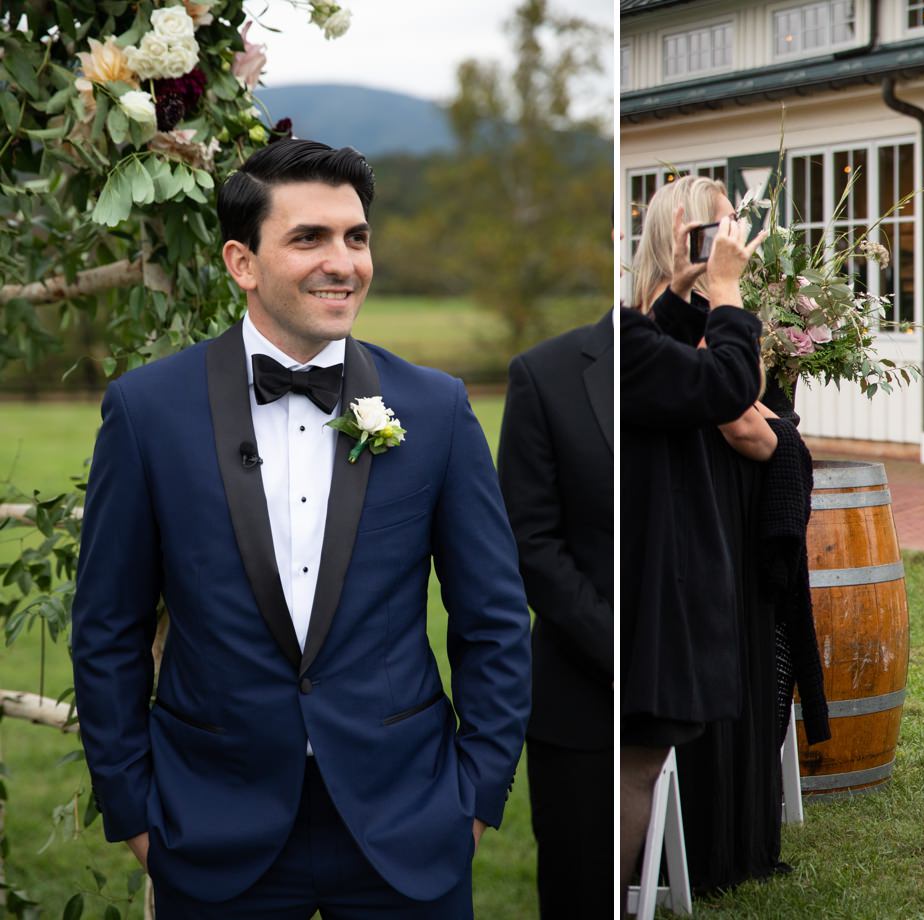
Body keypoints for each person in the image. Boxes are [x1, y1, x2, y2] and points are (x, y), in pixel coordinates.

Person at [69, 139, 532, 917]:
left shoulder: (436, 410)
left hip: (408, 820)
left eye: (356, 237)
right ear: (241, 262)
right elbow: (108, 627)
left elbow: (492, 620)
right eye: (309, 238)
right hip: (209, 824)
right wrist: (136, 813)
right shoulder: (146, 412)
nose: (343, 262)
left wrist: (476, 796)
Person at [630, 175, 831, 893]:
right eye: (717, 229)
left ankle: (742, 831)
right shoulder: (665, 326)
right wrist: (727, 295)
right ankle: (709, 847)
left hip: (733, 523)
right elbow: (740, 418)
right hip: (702, 527)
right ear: (679, 234)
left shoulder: (682, 315)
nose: (733, 242)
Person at [618, 201, 768, 896]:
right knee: (635, 765)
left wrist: (677, 293)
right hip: (653, 555)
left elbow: (657, 360)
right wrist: (728, 292)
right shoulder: (620, 343)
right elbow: (726, 386)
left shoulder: (617, 338)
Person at [498, 309, 613, 915]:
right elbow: (530, 542)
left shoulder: (730, 364)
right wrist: (621, 652)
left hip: (703, 683)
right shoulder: (544, 374)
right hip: (582, 695)